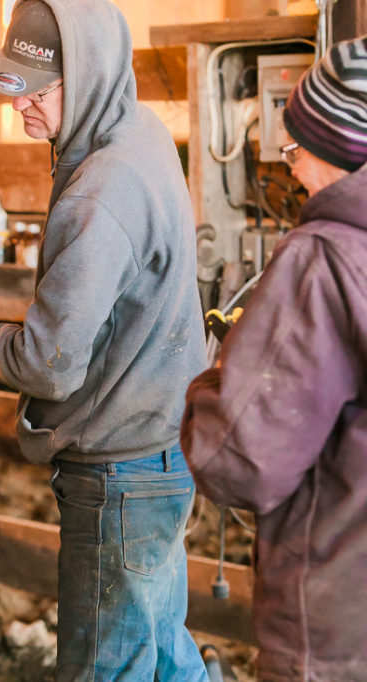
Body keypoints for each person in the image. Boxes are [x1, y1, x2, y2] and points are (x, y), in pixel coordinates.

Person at [0, 0, 209, 679]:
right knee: (161, 647)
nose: (20, 104)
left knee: (106, 664)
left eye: (39, 89)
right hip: (163, 444)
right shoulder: (138, 129)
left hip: (118, 470)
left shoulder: (100, 190)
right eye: (15, 85)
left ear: (86, 80)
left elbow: (51, 363)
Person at [181, 36, 367, 681]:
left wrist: (218, 374)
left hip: (339, 618)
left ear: (344, 149)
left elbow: (239, 461)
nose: (288, 167)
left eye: (295, 149)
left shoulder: (322, 258)